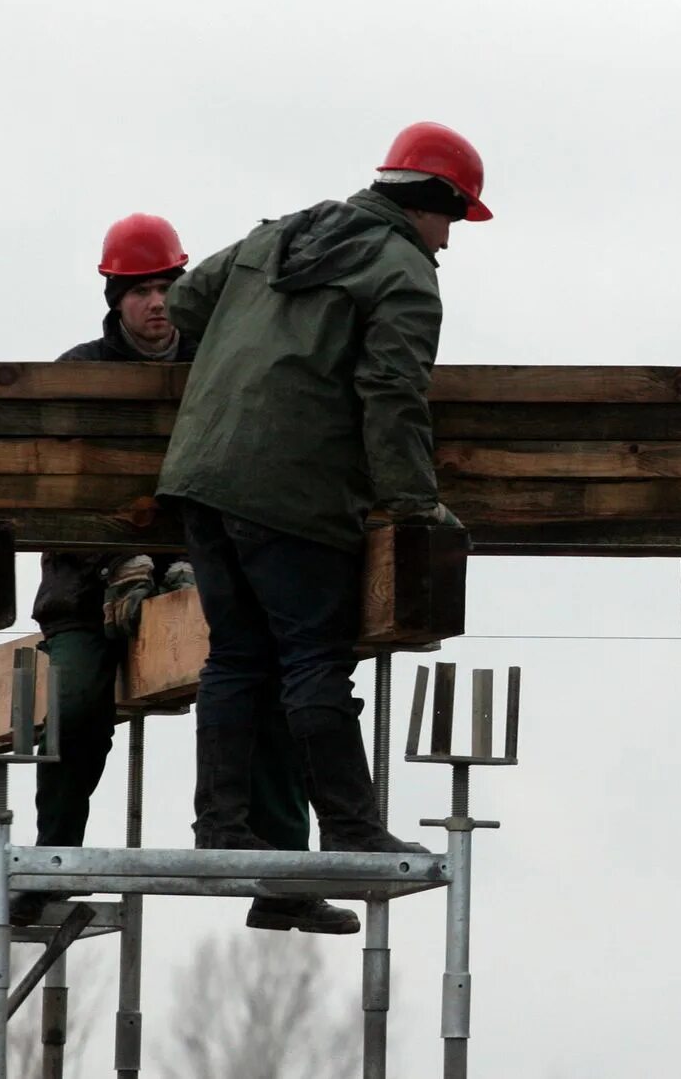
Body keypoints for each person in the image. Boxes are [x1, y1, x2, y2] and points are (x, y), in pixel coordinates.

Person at [16, 213, 357, 935]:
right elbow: (57, 501)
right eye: (141, 290)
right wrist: (118, 565)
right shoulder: (79, 374)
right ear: (115, 298)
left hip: (213, 568)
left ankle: (283, 878)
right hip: (87, 592)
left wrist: (181, 564)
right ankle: (49, 866)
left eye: (168, 285)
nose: (157, 302)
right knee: (75, 703)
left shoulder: (219, 363)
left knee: (271, 683)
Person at [157, 122, 489, 855]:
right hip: (290, 494)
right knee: (314, 662)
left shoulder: (284, 233)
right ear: (430, 202)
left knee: (236, 657)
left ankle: (220, 827)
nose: (449, 239)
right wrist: (411, 504)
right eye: (454, 218)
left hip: (200, 477)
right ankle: (351, 827)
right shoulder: (405, 272)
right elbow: (393, 391)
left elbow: (183, 307)